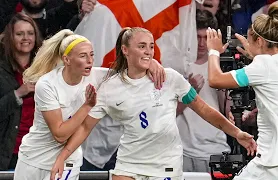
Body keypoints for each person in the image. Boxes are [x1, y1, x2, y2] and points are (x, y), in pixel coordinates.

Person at [49, 27, 256, 180]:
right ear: (125, 50)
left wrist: (236, 133)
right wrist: (62, 157)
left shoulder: (171, 78)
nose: (148, 51)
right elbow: (85, 127)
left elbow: (204, 110)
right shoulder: (109, 87)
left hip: (165, 166)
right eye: (141, 46)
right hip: (128, 166)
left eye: (151, 47)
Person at [13, 28, 165, 179]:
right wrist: (87, 106)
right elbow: (60, 134)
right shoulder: (47, 84)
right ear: (67, 60)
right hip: (34, 160)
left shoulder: (97, 76)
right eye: (83, 56)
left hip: (68, 161)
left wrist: (152, 63)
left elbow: (130, 72)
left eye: (91, 55)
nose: (90, 61)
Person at [206, 0, 278, 179]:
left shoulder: (263, 66)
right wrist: (256, 56)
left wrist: (213, 52)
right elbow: (274, 73)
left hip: (272, 164)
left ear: (260, 41)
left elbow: (215, 80)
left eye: (250, 40)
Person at [176, 9, 231, 173]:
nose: (201, 43)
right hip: (183, 150)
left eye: (206, 38)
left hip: (215, 148)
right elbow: (168, 112)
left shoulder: (219, 66)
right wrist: (190, 91)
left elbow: (227, 112)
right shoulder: (177, 66)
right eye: (197, 37)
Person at [0, 13, 42, 170]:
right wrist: (17, 94)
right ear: (11, 37)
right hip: (9, 152)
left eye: (30, 33)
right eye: (19, 34)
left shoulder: (45, 69)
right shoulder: (1, 69)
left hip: (38, 151)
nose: (26, 38)